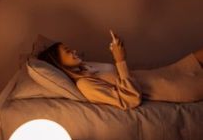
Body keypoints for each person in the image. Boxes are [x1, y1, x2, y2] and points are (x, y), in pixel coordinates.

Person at [37, 34, 203, 110]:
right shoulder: (85, 85)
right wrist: (120, 60)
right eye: (67, 51)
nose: (73, 51)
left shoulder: (85, 69)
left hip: (164, 73)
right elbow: (130, 100)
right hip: (170, 86)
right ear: (59, 63)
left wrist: (117, 51)